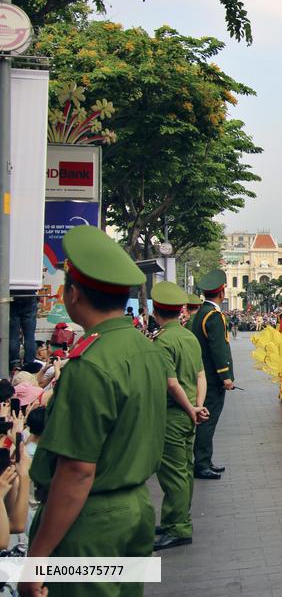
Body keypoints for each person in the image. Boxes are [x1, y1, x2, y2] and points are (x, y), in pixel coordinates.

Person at [21, 225, 169, 597]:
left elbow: (76, 471)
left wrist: (35, 562)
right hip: (136, 510)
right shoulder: (147, 349)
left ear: (73, 294)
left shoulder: (90, 363)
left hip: (90, 520)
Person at [150, 282, 209, 551]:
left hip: (173, 415)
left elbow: (171, 384)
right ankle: (178, 519)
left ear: (156, 312)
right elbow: (200, 376)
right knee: (184, 471)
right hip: (188, 415)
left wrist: (189, 409)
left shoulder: (163, 341)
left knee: (174, 474)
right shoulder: (188, 337)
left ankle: (178, 527)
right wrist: (198, 407)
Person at [191, 269, 236, 480]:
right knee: (208, 421)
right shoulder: (214, 315)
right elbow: (218, 348)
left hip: (205, 376)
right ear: (222, 292)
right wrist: (225, 376)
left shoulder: (202, 312)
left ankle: (205, 460)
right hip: (212, 379)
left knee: (208, 420)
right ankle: (201, 463)